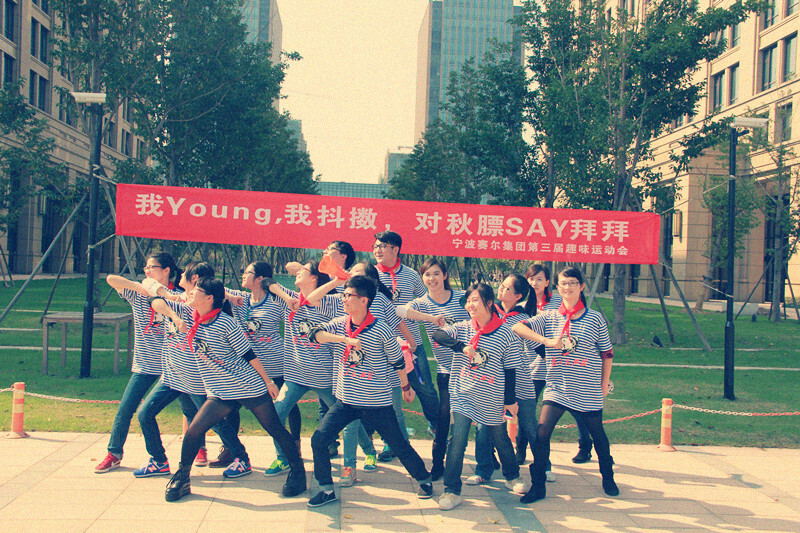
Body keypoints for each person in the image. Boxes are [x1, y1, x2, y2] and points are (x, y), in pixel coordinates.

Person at [151, 278, 306, 502]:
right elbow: (156, 301)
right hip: (220, 391)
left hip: (247, 386)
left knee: (274, 427)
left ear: (209, 298)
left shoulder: (226, 323)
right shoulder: (189, 313)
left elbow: (248, 354)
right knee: (194, 431)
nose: (191, 293)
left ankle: (298, 473)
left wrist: (268, 382)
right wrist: (175, 317)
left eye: (197, 290)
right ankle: (182, 478)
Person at [306, 275, 433, 507]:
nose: (343, 299)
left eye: (348, 295)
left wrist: (405, 387)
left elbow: (398, 362)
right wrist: (344, 339)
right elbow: (315, 334)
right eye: (343, 295)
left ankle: (424, 479)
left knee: (398, 444)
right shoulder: (341, 323)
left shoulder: (382, 330)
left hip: (376, 403)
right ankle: (326, 490)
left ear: (364, 300)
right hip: (346, 402)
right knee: (319, 440)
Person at [512, 266, 618, 504]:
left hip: (587, 388)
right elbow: (518, 327)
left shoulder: (594, 318)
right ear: (557, 287)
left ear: (582, 286)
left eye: (572, 283)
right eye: (563, 283)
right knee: (541, 433)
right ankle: (538, 485)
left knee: (598, 435)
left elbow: (607, 354)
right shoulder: (550, 317)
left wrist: (603, 385)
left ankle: (608, 477)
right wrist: (547, 341)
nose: (568, 287)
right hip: (557, 388)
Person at [134, 262, 251, 479]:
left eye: (185, 275)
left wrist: (229, 297)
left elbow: (218, 293)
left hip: (195, 379)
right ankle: (159, 460)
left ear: (194, 280)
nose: (180, 276)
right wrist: (174, 315)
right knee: (144, 414)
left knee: (214, 422)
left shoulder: (200, 310)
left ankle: (241, 457)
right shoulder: (180, 302)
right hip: (171, 377)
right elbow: (154, 300)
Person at [431, 283, 525, 511]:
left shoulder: (505, 334)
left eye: (475, 300)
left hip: (491, 396)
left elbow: (510, 370)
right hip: (462, 394)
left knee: (500, 438)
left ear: (489, 303)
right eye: (468, 301)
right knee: (457, 440)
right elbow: (437, 334)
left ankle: (512, 476)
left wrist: (509, 400)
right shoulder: (462, 328)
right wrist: (461, 347)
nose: (470, 305)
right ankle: (451, 491)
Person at [95, 252, 182, 473]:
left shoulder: (177, 295)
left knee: (192, 409)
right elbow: (111, 279)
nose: (147, 271)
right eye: (145, 267)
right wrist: (143, 288)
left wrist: (164, 295)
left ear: (166, 270)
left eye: (152, 267)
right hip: (145, 364)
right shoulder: (137, 293)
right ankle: (114, 453)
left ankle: (204, 449)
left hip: (175, 365)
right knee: (125, 409)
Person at [216, 261, 302, 474]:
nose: (243, 275)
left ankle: (294, 444)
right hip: (248, 366)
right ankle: (231, 449)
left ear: (260, 279)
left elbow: (294, 310)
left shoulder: (274, 301)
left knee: (286, 405)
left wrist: (281, 294)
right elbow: (216, 288)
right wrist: (230, 297)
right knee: (232, 405)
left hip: (275, 363)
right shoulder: (242, 299)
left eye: (248, 272)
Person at [261, 261, 341, 477]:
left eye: (304, 271)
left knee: (347, 416)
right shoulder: (290, 297)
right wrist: (287, 298)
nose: (297, 273)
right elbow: (267, 282)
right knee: (276, 415)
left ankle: (368, 450)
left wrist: (334, 278)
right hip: (295, 376)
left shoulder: (327, 303)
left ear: (314, 278)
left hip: (323, 377)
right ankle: (284, 458)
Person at [396, 258, 469, 481]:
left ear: (445, 275)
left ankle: (489, 460)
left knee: (483, 417)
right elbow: (399, 310)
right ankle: (438, 466)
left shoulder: (461, 297)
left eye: (436, 273)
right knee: (443, 418)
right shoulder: (422, 303)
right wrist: (430, 318)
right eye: (427, 275)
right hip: (447, 369)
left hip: (472, 368)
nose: (432, 278)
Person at [285, 241, 357, 459]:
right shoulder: (324, 279)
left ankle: (359, 453)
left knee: (343, 413)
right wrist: (311, 270)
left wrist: (338, 279)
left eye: (329, 251)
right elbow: (290, 267)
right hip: (304, 371)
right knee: (324, 411)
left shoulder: (347, 286)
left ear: (343, 256)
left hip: (333, 365)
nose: (325, 253)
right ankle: (324, 446)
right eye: (324, 251)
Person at [372, 231, 439, 456]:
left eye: (382, 246)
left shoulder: (410, 276)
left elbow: (425, 302)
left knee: (425, 389)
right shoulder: (369, 275)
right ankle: (392, 442)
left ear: (395, 249)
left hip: (412, 345)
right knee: (387, 396)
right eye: (375, 246)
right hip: (381, 346)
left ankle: (437, 427)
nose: (377, 250)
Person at [470, 273, 539, 485]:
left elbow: (538, 346)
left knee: (529, 426)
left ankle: (543, 467)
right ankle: (483, 469)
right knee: (484, 427)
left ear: (518, 296)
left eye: (507, 288)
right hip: (492, 380)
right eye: (501, 286)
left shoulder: (524, 319)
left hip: (520, 379)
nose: (501, 289)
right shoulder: (489, 312)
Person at [523, 263, 594, 467]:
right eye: (530, 279)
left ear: (548, 282)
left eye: (539, 279)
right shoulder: (523, 305)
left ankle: (585, 445)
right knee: (527, 409)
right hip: (533, 366)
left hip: (562, 366)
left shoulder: (558, 302)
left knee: (578, 408)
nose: (534, 283)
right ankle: (521, 449)